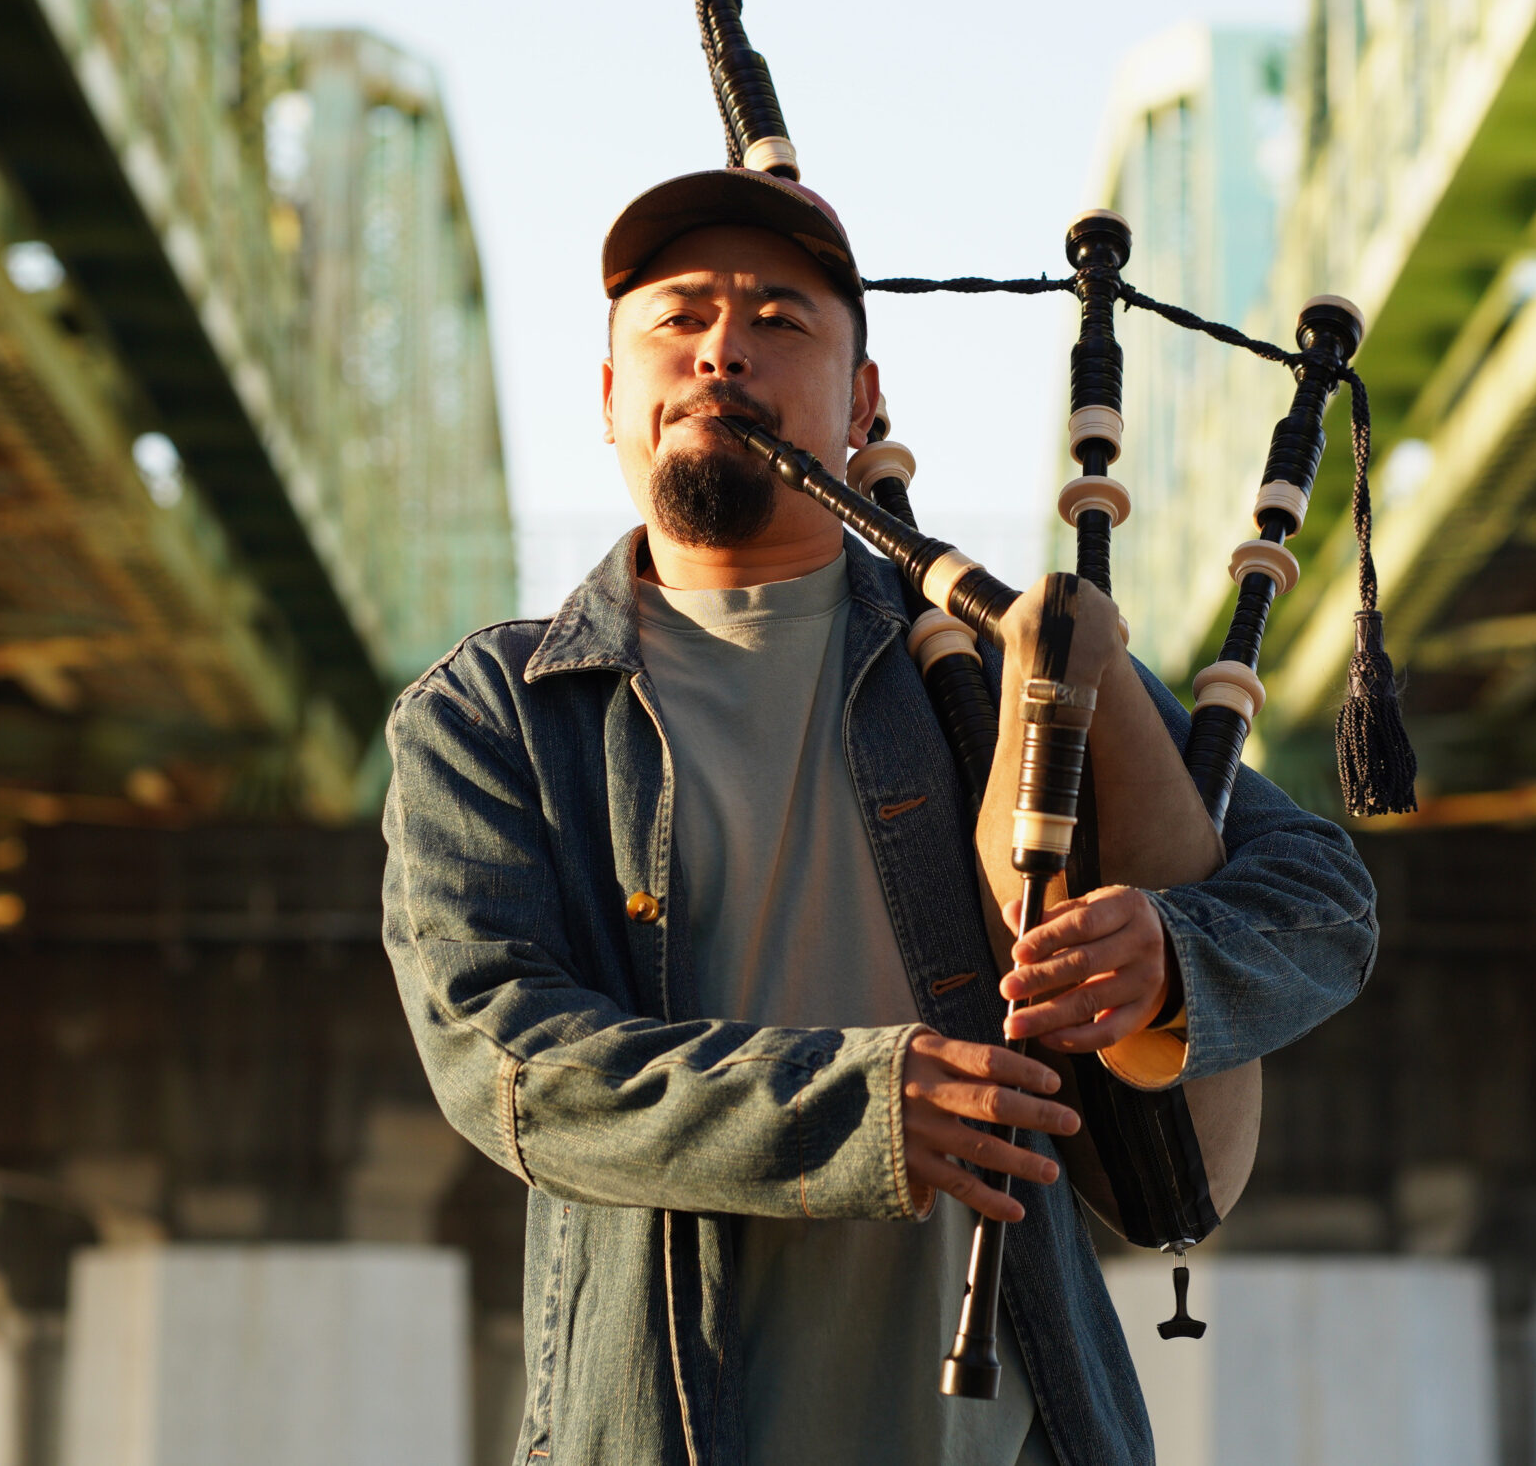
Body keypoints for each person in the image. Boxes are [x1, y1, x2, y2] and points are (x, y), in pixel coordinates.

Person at [381, 169, 1377, 1466]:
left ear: (860, 406)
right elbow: (501, 1056)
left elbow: (1325, 901)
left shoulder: (998, 673)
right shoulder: (496, 713)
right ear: (613, 397)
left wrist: (1175, 959)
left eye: (781, 321)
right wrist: (860, 1110)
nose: (724, 347)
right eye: (677, 320)